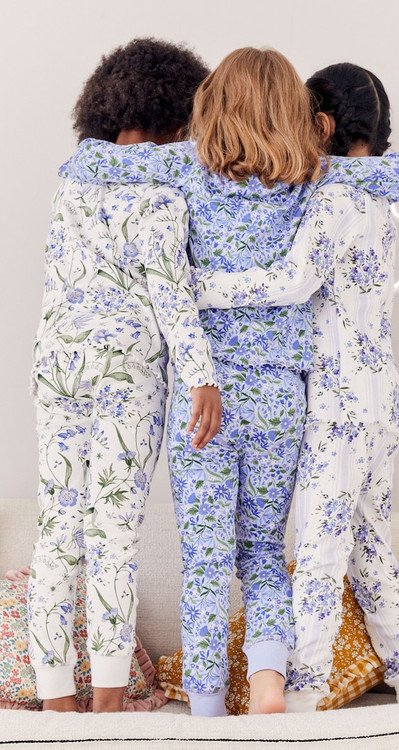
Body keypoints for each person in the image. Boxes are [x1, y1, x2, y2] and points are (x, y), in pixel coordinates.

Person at [59, 48, 399, 716]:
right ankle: (267, 686)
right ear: (293, 111)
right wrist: (339, 161)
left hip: (206, 397)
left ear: (210, 106)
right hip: (281, 397)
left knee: (205, 560)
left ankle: (205, 712)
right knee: (261, 553)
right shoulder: (312, 175)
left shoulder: (186, 167)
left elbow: (85, 163)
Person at [189, 62, 399, 710]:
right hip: (382, 403)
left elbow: (292, 282)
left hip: (339, 404)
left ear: (319, 126)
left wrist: (201, 288)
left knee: (319, 556)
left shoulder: (333, 200)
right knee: (371, 552)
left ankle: (301, 702)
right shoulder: (378, 198)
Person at [28, 38, 222, 714]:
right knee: (113, 535)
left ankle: (55, 703)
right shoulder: (163, 195)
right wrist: (202, 377)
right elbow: (173, 293)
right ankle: (108, 705)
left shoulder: (71, 183)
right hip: (125, 372)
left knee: (58, 531)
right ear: (179, 113)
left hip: (56, 365)